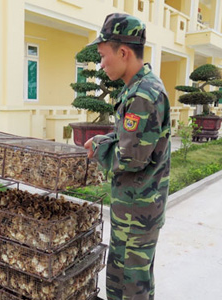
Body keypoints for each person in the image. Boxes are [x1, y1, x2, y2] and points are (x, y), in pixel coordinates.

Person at [84, 13, 171, 300]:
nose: (101, 63)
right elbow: (131, 139)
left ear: (122, 52)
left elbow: (131, 158)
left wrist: (100, 150)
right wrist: (106, 138)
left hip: (137, 213)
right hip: (136, 209)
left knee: (128, 289)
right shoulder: (137, 88)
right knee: (134, 283)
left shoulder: (143, 95)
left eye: (103, 55)